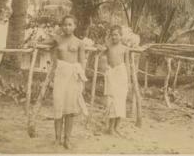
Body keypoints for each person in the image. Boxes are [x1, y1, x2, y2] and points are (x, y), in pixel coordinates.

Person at [35, 15, 88, 149]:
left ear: (75, 26)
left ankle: (67, 139)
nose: (67, 27)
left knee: (70, 110)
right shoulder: (57, 39)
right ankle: (57, 138)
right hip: (60, 75)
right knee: (58, 106)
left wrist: (82, 80)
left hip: (73, 77)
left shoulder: (79, 42)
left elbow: (82, 62)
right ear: (61, 26)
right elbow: (44, 43)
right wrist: (35, 43)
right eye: (64, 24)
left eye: (70, 24)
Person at [99, 26, 130, 136]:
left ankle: (117, 127)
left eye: (116, 34)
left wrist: (129, 80)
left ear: (121, 36)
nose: (114, 37)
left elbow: (127, 64)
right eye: (112, 34)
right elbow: (100, 55)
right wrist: (104, 65)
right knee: (112, 101)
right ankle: (110, 128)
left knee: (121, 101)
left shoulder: (125, 49)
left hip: (122, 75)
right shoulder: (108, 47)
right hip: (112, 75)